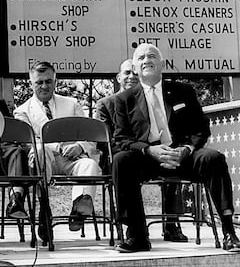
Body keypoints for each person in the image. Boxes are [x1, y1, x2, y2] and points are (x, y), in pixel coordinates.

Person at [112, 43, 240, 253]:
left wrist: (186, 149)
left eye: (152, 56)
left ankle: (229, 232)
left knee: (214, 158)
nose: (147, 60)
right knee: (121, 160)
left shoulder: (183, 91)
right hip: (148, 158)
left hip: (183, 154)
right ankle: (137, 235)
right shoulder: (123, 100)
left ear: (162, 63)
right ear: (135, 67)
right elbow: (122, 138)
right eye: (141, 57)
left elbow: (201, 128)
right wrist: (148, 150)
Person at [96, 58, 188, 243]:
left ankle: (171, 223)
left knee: (168, 155)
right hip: (121, 157)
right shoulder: (106, 104)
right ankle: (133, 228)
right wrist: (139, 150)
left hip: (150, 155)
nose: (131, 76)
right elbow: (106, 142)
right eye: (126, 73)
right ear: (118, 77)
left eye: (134, 72)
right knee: (124, 162)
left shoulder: (152, 98)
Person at [14, 61, 101, 232]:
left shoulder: (71, 104)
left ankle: (79, 209)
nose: (44, 86)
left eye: (48, 81)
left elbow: (88, 135)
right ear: (31, 83)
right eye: (39, 82)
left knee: (90, 165)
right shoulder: (22, 111)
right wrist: (58, 147)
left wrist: (81, 146)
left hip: (72, 159)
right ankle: (44, 210)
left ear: (55, 81)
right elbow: (27, 143)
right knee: (38, 150)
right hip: (44, 159)